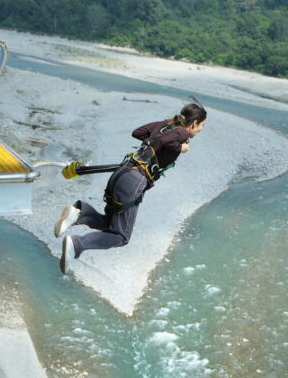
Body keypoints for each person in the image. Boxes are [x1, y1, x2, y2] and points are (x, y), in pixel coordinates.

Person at [54, 103, 208, 273]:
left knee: (111, 224)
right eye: (202, 125)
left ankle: (80, 213)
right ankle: (77, 244)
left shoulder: (165, 125)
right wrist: (180, 147)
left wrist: (152, 144)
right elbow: (165, 141)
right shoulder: (181, 132)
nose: (201, 129)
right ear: (194, 123)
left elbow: (138, 132)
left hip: (122, 173)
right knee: (121, 236)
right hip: (134, 181)